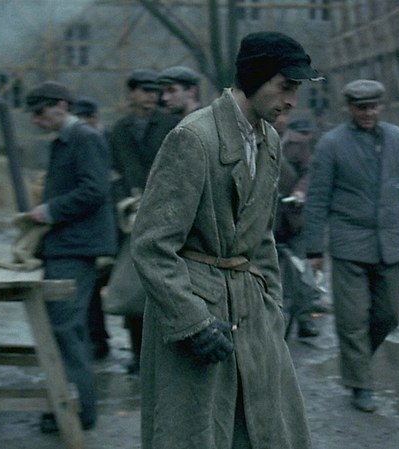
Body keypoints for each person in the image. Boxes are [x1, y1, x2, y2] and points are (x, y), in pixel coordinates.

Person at [131, 31, 321, 449]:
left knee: (264, 428)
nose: (292, 101)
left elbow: (262, 237)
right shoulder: (193, 138)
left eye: (296, 90)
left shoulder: (269, 140)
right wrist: (192, 322)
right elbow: (151, 245)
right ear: (254, 77)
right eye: (285, 87)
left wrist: (272, 304)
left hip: (252, 309)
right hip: (198, 311)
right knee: (197, 432)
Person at [303, 79, 399, 413]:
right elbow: (317, 198)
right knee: (353, 319)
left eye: (373, 107)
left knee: (388, 315)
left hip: (390, 241)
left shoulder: (398, 139)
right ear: (349, 108)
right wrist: (314, 250)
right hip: (349, 243)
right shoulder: (332, 144)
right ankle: (361, 384)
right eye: (361, 107)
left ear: (381, 106)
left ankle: (354, 362)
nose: (368, 113)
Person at [24, 81, 117, 432]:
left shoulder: (84, 138)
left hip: (76, 248)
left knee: (66, 329)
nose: (36, 120)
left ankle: (79, 412)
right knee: (61, 329)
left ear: (61, 106)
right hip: (66, 246)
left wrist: (49, 211)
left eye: (40, 112)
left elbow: (95, 190)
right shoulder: (66, 140)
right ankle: (65, 404)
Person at [108, 68, 180, 374]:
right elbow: (112, 173)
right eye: (145, 91)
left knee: (163, 286)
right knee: (132, 286)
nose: (151, 97)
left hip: (165, 215)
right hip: (129, 217)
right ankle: (138, 353)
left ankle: (164, 354)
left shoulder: (171, 125)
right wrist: (123, 201)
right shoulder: (118, 130)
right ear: (131, 94)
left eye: (155, 91)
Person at [69, 95, 113, 359]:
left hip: (118, 221)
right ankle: (98, 338)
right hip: (95, 225)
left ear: (93, 118)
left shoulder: (106, 140)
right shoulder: (81, 141)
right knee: (94, 285)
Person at [273, 114, 320, 338]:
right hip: (264, 218)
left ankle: (304, 316)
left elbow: (309, 172)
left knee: (301, 268)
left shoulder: (299, 146)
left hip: (293, 217)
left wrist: (300, 192)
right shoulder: (253, 137)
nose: (280, 119)